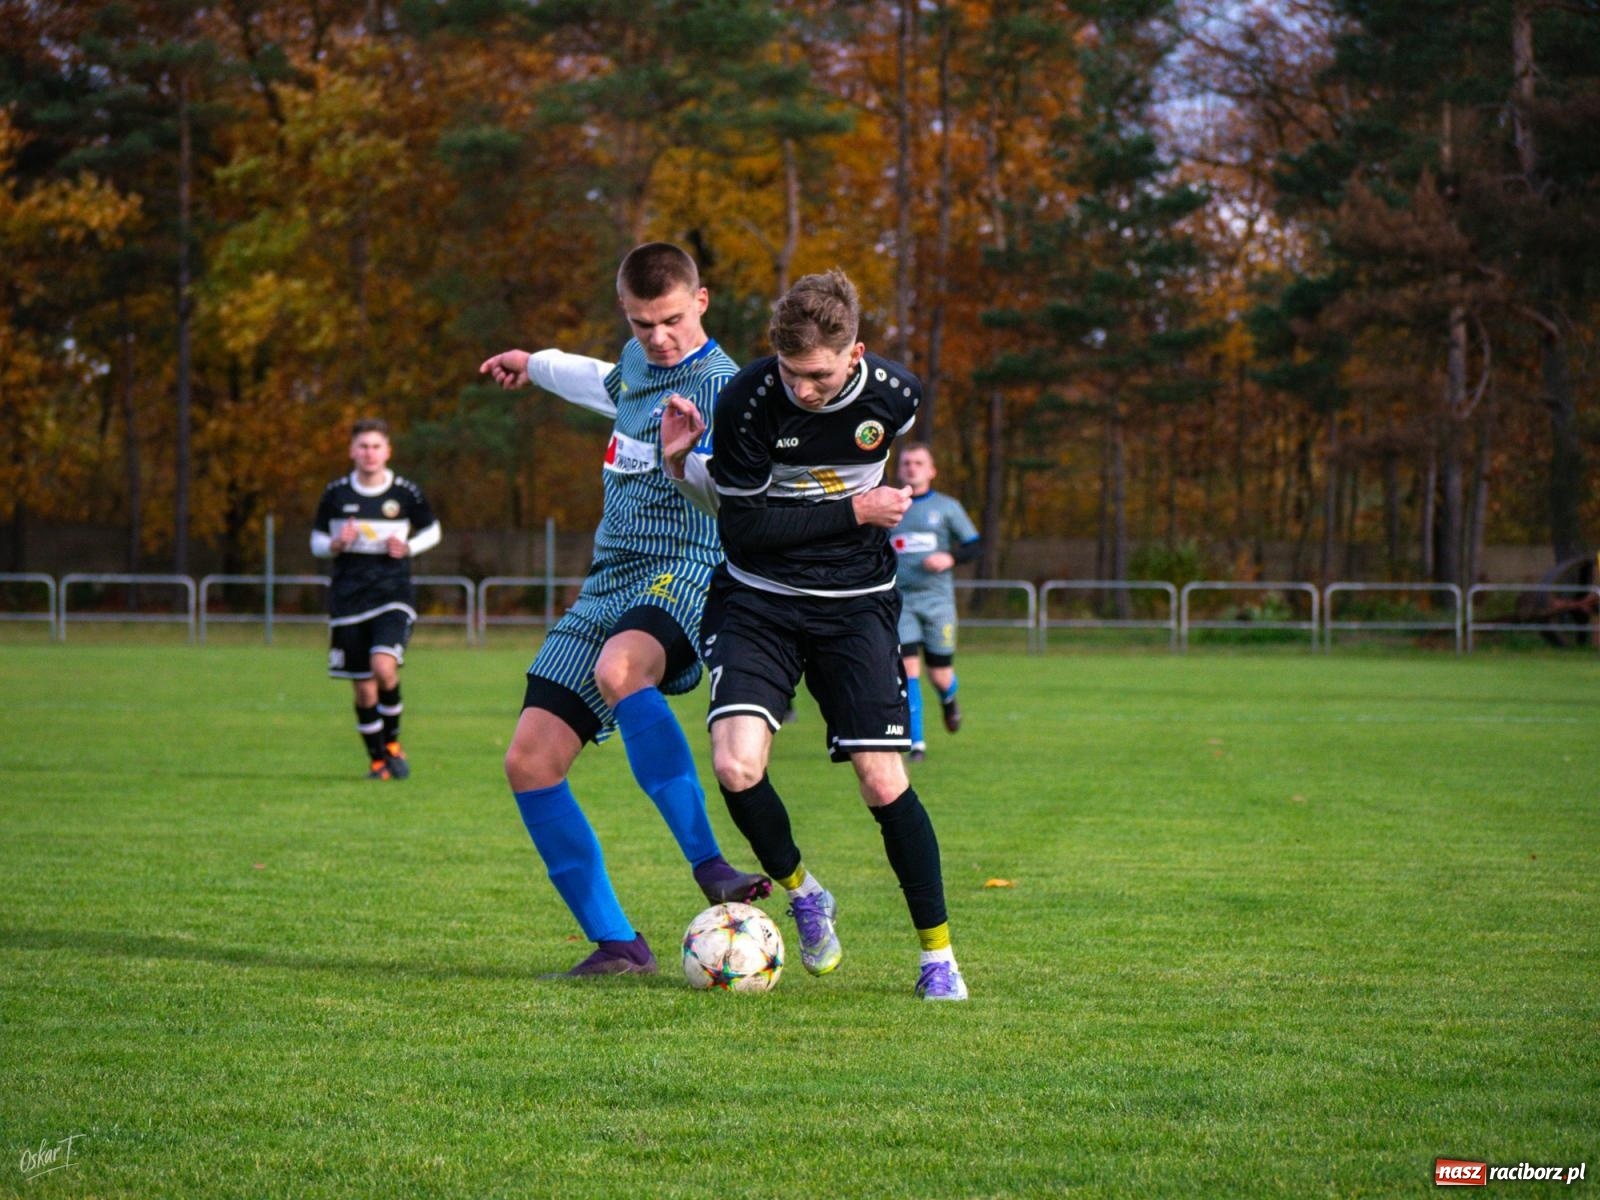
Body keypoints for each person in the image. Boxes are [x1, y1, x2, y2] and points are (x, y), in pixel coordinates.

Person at [661, 268, 969, 1001]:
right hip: (758, 600)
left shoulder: (896, 398)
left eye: (820, 375)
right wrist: (855, 512)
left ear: (854, 353)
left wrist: (857, 518)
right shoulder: (747, 401)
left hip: (856, 605)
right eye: (791, 371)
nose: (803, 388)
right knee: (736, 765)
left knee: (883, 779)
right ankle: (804, 893)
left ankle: (939, 958)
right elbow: (746, 530)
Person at [478, 242, 770, 979]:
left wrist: (687, 459)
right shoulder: (637, 362)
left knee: (621, 668)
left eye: (672, 320)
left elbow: (749, 502)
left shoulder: (728, 391)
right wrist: (532, 362)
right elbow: (604, 380)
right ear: (626, 314)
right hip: (608, 580)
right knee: (529, 761)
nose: (659, 337)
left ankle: (711, 865)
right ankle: (618, 944)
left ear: (701, 301)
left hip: (687, 570)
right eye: (643, 323)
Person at [311, 418, 441, 780]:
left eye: (376, 446)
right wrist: (336, 543)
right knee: (364, 688)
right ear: (352, 451)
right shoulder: (336, 494)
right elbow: (316, 542)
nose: (369, 453)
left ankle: (393, 744)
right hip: (348, 598)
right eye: (363, 446)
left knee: (384, 667)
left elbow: (433, 530)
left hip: (392, 593)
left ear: (387, 451)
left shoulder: (405, 492)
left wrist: (409, 546)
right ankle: (378, 762)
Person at [890, 443, 981, 762]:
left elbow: (975, 545)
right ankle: (917, 743)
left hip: (937, 602)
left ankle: (948, 699)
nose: (912, 468)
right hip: (901, 601)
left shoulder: (947, 507)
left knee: (939, 674)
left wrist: (950, 557)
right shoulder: (889, 507)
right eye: (906, 463)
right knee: (907, 669)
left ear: (931, 470)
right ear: (899, 469)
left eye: (919, 463)